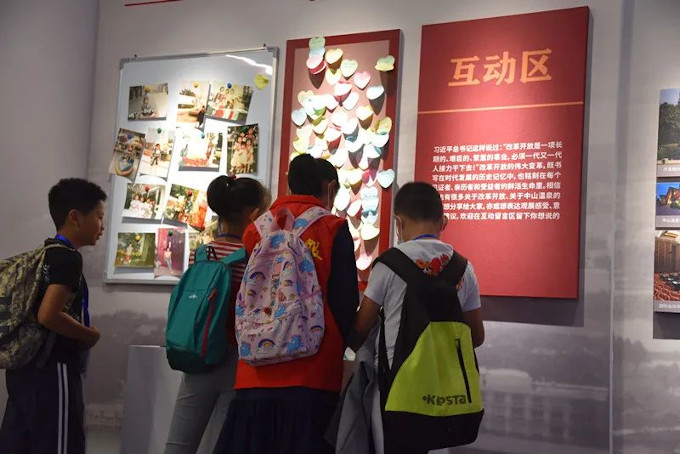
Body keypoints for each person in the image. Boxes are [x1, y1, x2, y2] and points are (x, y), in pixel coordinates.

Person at [213, 154, 360, 454]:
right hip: (313, 370)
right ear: (328, 188)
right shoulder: (333, 227)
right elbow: (345, 303)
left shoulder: (257, 229)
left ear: (289, 184)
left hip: (255, 368)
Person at [348, 182, 485, 454]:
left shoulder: (388, 265)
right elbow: (476, 337)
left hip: (397, 390)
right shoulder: (463, 268)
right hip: (445, 391)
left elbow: (360, 328)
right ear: (443, 221)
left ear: (398, 222)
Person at [165, 175, 270, 454]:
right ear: (254, 215)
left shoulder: (201, 255)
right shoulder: (255, 256)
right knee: (221, 445)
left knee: (179, 443)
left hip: (198, 353)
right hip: (237, 359)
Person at [0, 178, 106, 454]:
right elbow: (49, 315)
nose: (102, 226)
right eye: (99, 216)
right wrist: (90, 335)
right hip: (53, 369)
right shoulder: (69, 258)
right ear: (75, 217)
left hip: (24, 368)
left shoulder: (44, 255)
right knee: (60, 445)